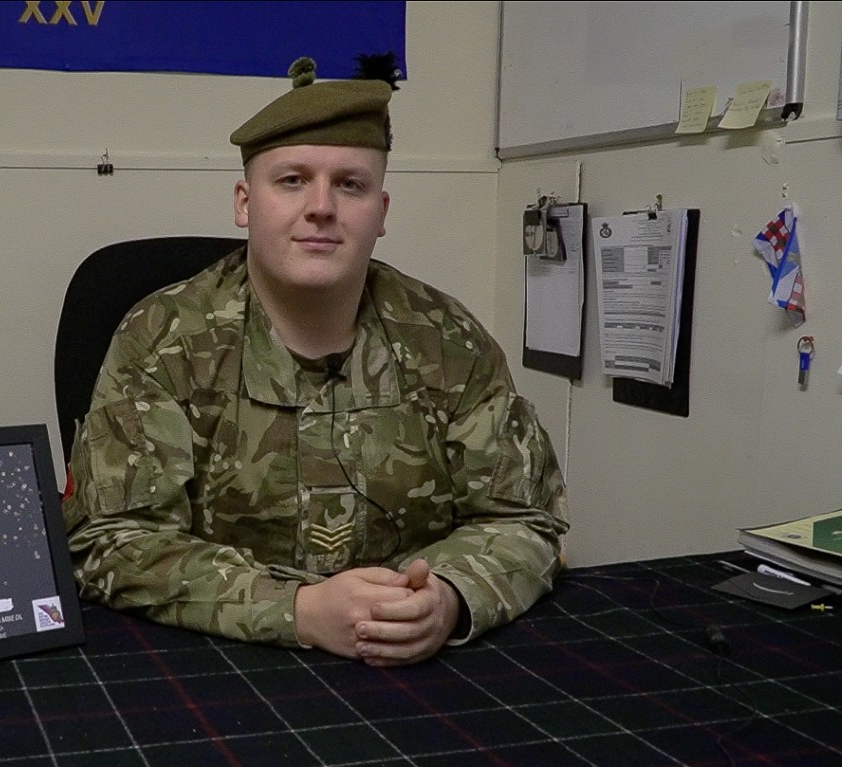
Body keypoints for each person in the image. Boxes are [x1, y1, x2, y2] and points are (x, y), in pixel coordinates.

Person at [62, 56, 569, 666]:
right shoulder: (163, 338)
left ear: (381, 213)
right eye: (293, 180)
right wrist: (296, 609)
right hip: (222, 660)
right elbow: (111, 541)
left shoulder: (447, 339)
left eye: (350, 184)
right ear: (245, 203)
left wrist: (450, 596)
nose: (322, 207)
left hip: (413, 659)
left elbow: (523, 518)